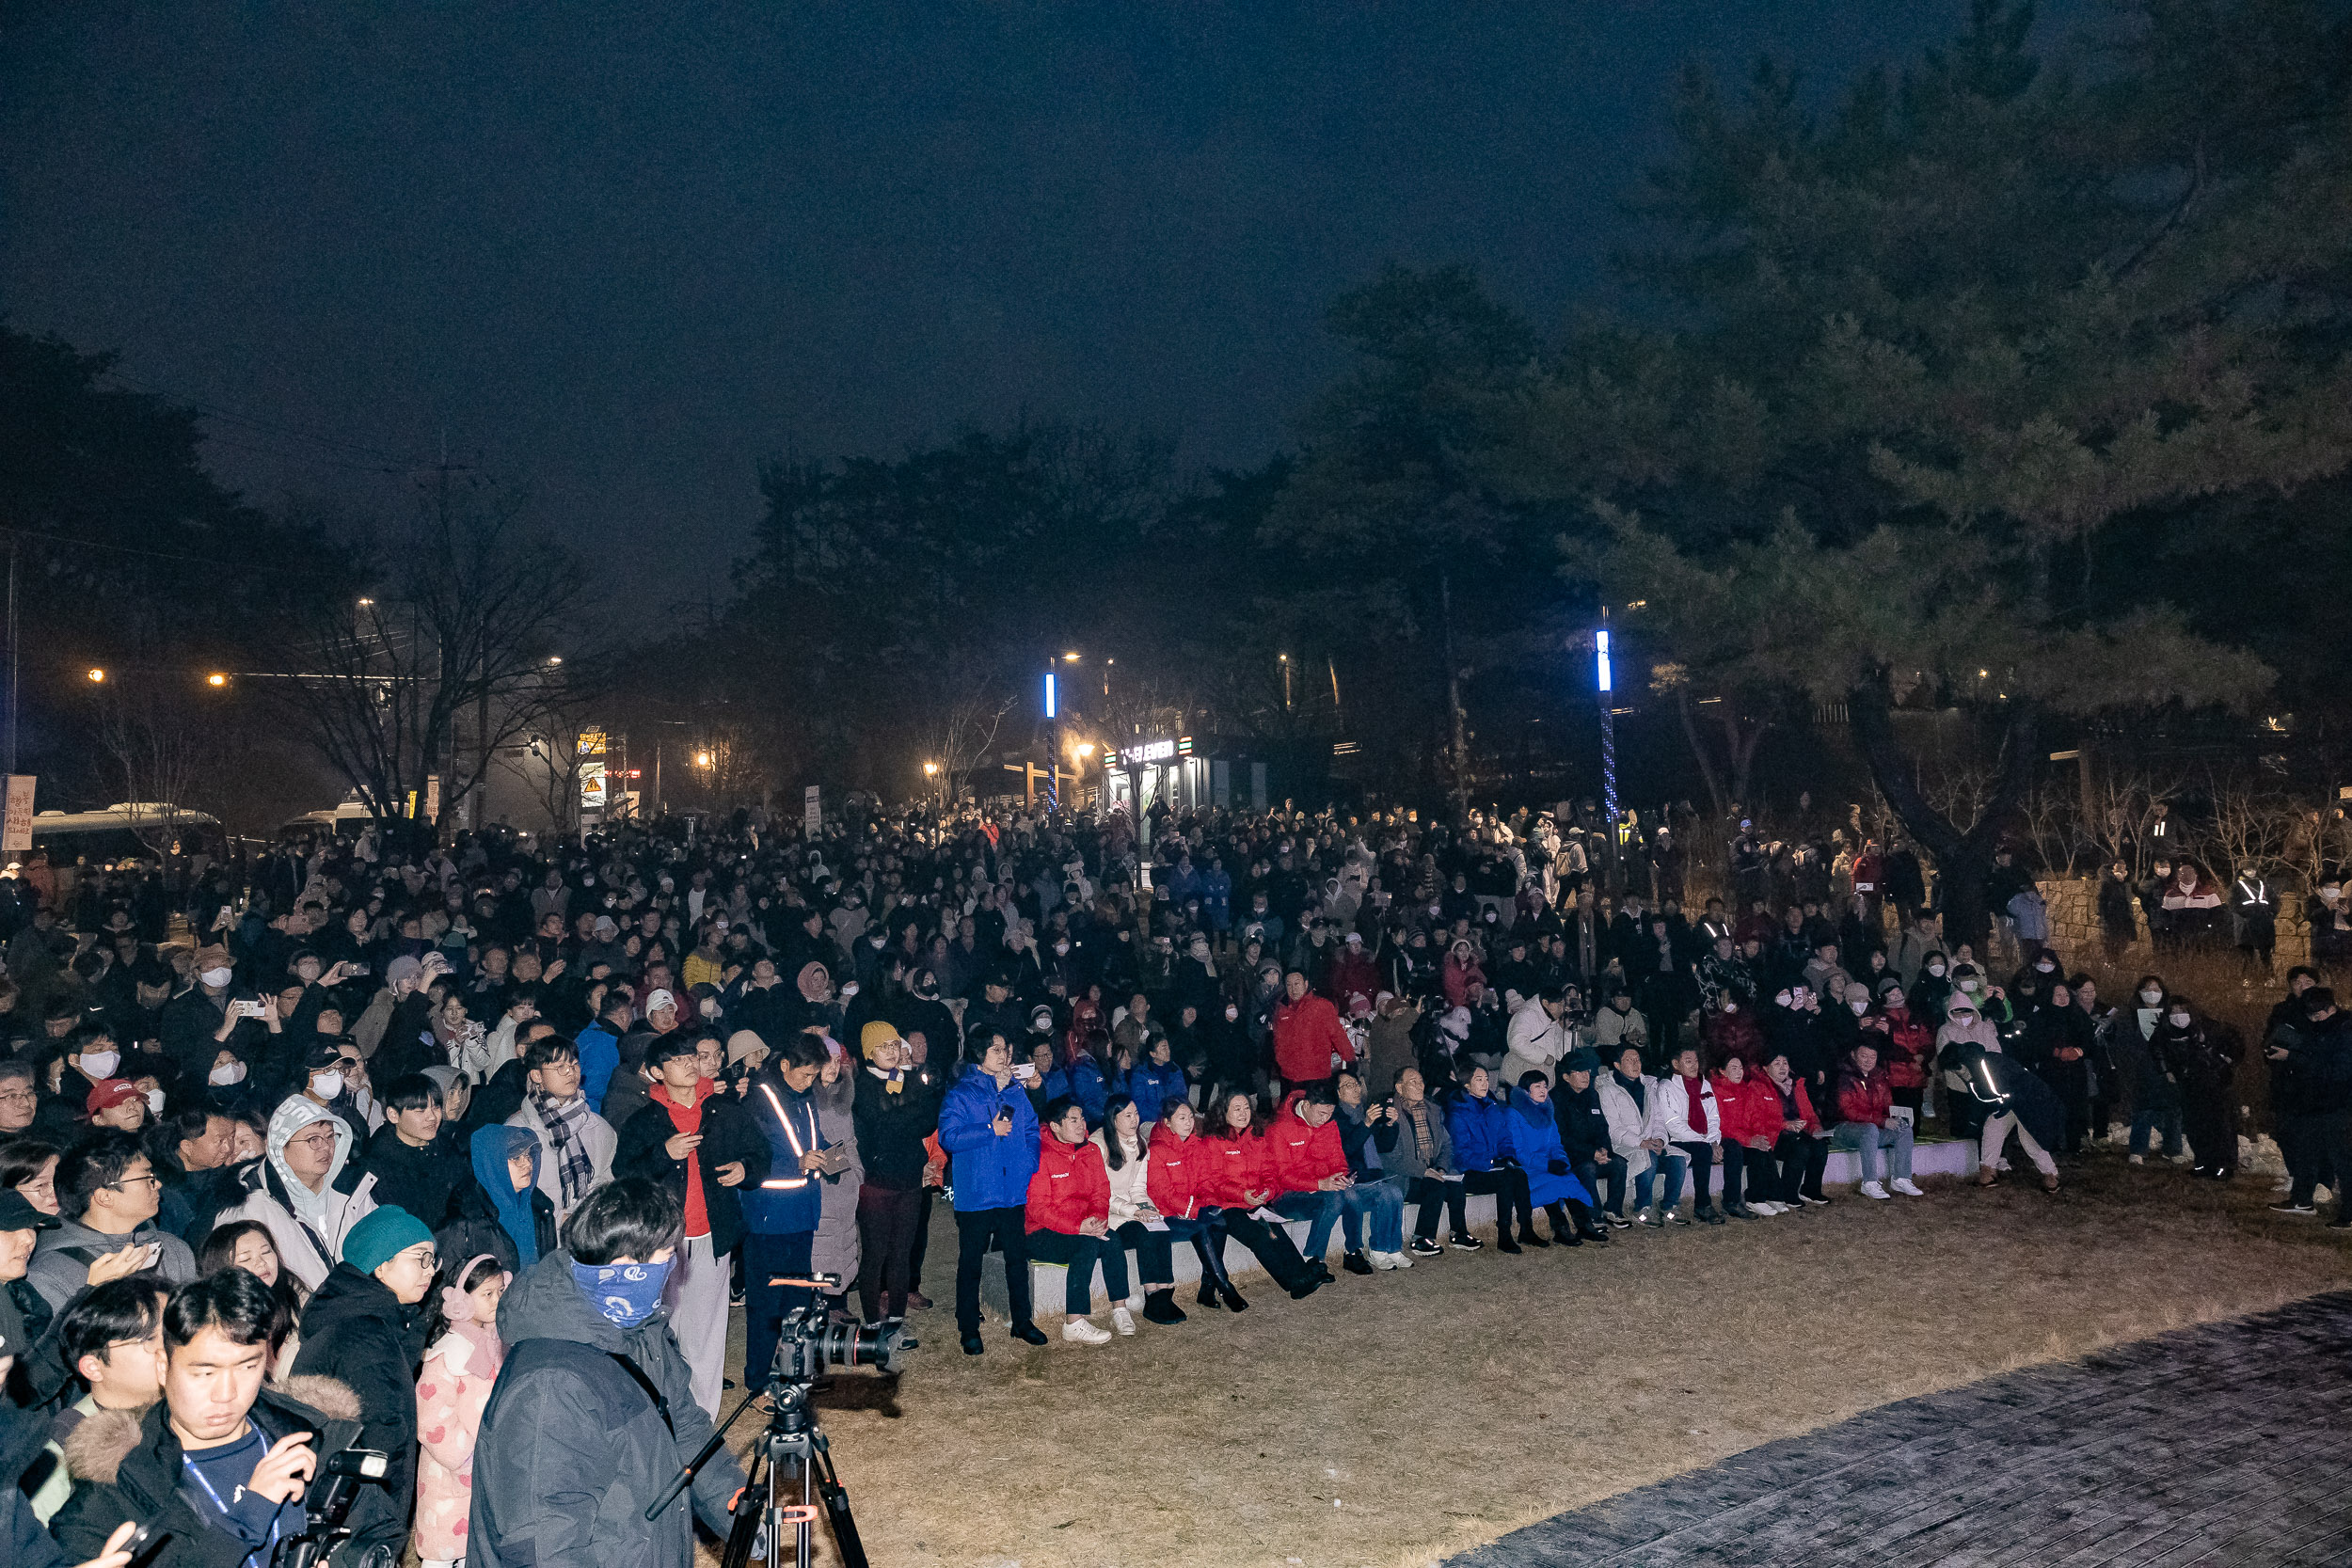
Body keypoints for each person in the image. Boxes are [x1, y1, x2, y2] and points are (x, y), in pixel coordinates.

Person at [468, 1179, 748, 1568]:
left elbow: (682, 1426)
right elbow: (544, 1545)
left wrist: (741, 1513)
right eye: (665, 1256)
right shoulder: (550, 1384)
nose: (670, 1269)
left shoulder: (638, 1326)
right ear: (625, 1266)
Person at [49, 1268, 404, 1568]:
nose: (226, 1393)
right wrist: (250, 1513)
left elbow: (379, 1531)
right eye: (204, 1373)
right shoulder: (118, 1483)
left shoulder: (312, 1433)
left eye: (247, 1366)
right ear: (163, 1366)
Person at [612, 1032, 770, 1417]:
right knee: (660, 1331)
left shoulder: (723, 1110)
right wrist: (663, 1154)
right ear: (655, 1071)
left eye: (691, 1057)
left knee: (707, 1335)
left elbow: (760, 1152)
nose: (689, 1064)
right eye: (678, 1059)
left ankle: (702, 1419)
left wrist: (745, 1169)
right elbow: (624, 1174)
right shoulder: (644, 1120)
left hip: (712, 1236)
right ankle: (661, 1415)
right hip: (660, 1243)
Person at [286, 1205, 437, 1532]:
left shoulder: (363, 1319)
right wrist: (385, 1527)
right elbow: (383, 1435)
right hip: (358, 1512)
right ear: (381, 1266)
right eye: (419, 1258)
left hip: (338, 1503)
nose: (430, 1270)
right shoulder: (365, 1336)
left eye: (432, 1259)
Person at [937, 1033, 1049, 1356]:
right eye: (996, 1049)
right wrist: (989, 1130)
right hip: (977, 1193)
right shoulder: (962, 1093)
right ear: (979, 1054)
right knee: (971, 1261)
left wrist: (1028, 1163)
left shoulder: (1015, 1091)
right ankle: (969, 1326)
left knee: (1017, 1258)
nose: (1003, 1055)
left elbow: (1030, 1129)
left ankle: (1022, 1321)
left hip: (1011, 1192)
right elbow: (949, 1136)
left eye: (1005, 1050)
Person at [26, 1274, 168, 1528]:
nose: (169, 1348)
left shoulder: (194, 1409)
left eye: (172, 1333)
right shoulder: (60, 1455)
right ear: (93, 1367)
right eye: (148, 1339)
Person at [739, 1033, 834, 1386]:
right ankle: (758, 1378)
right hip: (768, 1216)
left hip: (802, 1212)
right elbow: (751, 1157)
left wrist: (827, 1154)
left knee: (799, 1296)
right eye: (804, 1074)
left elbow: (812, 1139)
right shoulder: (757, 1100)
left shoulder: (805, 1098)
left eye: (813, 1075)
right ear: (784, 1065)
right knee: (767, 1303)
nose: (809, 1082)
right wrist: (798, 1162)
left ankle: (796, 1369)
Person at [210, 1099, 378, 1291]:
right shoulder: (248, 1207)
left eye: (330, 1136)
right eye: (312, 1139)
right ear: (280, 1147)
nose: (325, 1147)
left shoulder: (352, 1190)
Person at [27, 1132, 198, 1313]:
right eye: (147, 1178)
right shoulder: (51, 1274)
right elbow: (58, 1340)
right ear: (105, 1197)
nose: (158, 1184)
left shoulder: (173, 1250)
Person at [412, 1254, 508, 1568]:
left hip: (484, 1471)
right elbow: (431, 1422)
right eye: (487, 1294)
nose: (496, 1301)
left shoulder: (495, 1343)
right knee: (443, 1556)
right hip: (451, 1474)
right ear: (463, 1299)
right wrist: (467, 1463)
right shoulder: (447, 1351)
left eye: (499, 1292)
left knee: (475, 1551)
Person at [849, 1023, 940, 1335]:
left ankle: (896, 1322)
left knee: (902, 1254)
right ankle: (874, 1322)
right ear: (869, 1052)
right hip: (877, 1183)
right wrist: (910, 1111)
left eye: (894, 1045)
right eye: (882, 1046)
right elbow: (881, 1124)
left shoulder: (909, 1080)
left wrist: (907, 1112)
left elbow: (928, 1122)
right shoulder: (861, 1085)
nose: (890, 1051)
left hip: (910, 1179)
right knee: (876, 1254)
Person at [1195, 1092, 1321, 1299]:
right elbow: (1214, 1181)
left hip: (1253, 1200)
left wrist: (1267, 1191)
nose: (1243, 1113)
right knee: (1259, 1236)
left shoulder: (1256, 1137)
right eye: (1236, 1108)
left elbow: (1269, 1171)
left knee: (1274, 1229)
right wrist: (1242, 1194)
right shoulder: (1213, 1142)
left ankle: (1304, 1275)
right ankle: (1292, 1283)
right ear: (1223, 1112)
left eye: (1246, 1107)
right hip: (1227, 1205)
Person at [1025, 1096, 1130, 1343]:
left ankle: (1120, 1308)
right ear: (1055, 1126)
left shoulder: (1090, 1150)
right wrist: (1077, 1228)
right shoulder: (1041, 1154)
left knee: (1112, 1239)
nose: (1082, 1124)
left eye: (1082, 1118)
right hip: (1042, 1231)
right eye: (1073, 1120)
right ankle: (1074, 1322)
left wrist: (1096, 1219)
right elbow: (1038, 1209)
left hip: (1084, 1226)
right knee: (1086, 1245)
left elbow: (1101, 1191)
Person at [1090, 1093, 1188, 1325]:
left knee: (1160, 1228)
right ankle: (1152, 1294)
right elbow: (1102, 1194)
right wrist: (1134, 1212)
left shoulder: (1140, 1142)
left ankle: (1165, 1291)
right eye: (1127, 1115)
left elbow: (1138, 1187)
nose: (1134, 1120)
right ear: (1113, 1119)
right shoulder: (1098, 1145)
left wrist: (1148, 1209)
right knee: (1144, 1232)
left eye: (1136, 1114)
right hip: (1109, 1214)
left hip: (1131, 1209)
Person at [1141, 1100, 1248, 1309]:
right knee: (1203, 1226)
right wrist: (1195, 1210)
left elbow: (1205, 1183)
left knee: (1219, 1221)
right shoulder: (1157, 1150)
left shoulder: (1196, 1145)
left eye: (1190, 1117)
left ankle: (1207, 1289)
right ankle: (1225, 1285)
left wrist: (1207, 1204)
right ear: (1167, 1123)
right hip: (1167, 1216)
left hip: (1190, 1210)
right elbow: (1163, 1195)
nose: (1189, 1122)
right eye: (1182, 1118)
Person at [505, 1035, 614, 1227]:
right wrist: (557, 1219)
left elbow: (605, 1186)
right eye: (559, 1067)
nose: (570, 1073)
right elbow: (511, 1196)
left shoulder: (599, 1127)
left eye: (574, 1065)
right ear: (537, 1075)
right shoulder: (517, 1131)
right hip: (540, 1236)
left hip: (586, 1236)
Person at [356, 1072, 469, 1227]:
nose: (432, 1117)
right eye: (420, 1111)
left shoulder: (448, 1147)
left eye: (435, 1107)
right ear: (393, 1115)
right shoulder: (376, 1166)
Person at [1502, 1071, 1603, 1243]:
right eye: (1537, 1086)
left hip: (1548, 1164)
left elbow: (1556, 1144)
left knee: (1568, 1178)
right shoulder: (1513, 1114)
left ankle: (1584, 1225)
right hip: (1527, 1167)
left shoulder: (1548, 1111)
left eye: (1545, 1086)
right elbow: (1519, 1152)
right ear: (1526, 1091)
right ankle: (1561, 1229)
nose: (1543, 1090)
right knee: (1553, 1182)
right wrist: (1547, 1165)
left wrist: (1561, 1161)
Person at [1381, 1066, 1472, 1254]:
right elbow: (1389, 1159)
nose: (1420, 1085)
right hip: (1404, 1176)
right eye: (1413, 1082)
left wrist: (1440, 1168)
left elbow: (1446, 1144)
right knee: (1435, 1186)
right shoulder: (1389, 1113)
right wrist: (1424, 1171)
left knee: (1455, 1186)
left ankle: (1459, 1234)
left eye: (1421, 1081)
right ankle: (1421, 1238)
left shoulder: (1432, 1110)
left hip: (1431, 1171)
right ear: (1399, 1088)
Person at [1447, 1065, 1535, 1250]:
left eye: (1486, 1079)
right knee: (1506, 1178)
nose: (1485, 1083)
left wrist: (1508, 1156)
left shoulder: (1492, 1107)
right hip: (1471, 1172)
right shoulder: (1458, 1114)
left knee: (1519, 1174)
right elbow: (1460, 1154)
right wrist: (1490, 1162)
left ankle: (1526, 1228)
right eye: (1479, 1079)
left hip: (1494, 1167)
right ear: (1466, 1085)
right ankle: (1504, 1234)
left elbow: (1505, 1137)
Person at [1833, 1043, 1924, 1200]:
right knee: (1870, 1129)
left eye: (1873, 1057)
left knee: (1904, 1129)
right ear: (1853, 1055)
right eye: (1864, 1056)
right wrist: (1881, 1121)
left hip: (1872, 1130)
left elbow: (1888, 1104)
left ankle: (1901, 1178)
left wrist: (1896, 1117)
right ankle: (1869, 1182)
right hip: (1844, 1130)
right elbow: (1847, 1111)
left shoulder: (1879, 1077)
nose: (1868, 1061)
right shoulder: (1844, 1078)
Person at [1598, 1044, 1671, 1225]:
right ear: (1617, 1065)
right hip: (1623, 1145)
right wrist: (1642, 1143)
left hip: (1649, 1142)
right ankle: (1642, 1208)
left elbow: (1658, 1120)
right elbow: (1613, 1129)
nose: (1635, 1063)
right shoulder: (1607, 1090)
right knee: (1649, 1157)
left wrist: (1660, 1139)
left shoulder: (1648, 1086)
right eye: (1629, 1060)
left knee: (1677, 1159)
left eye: (1637, 1059)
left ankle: (1671, 1207)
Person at [1659, 1045, 1726, 1225]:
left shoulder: (1704, 1084)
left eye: (1696, 1061)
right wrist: (1705, 1142)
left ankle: (1734, 1200)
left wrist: (1713, 1142)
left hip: (1704, 1140)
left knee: (1733, 1148)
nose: (1694, 1065)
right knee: (1703, 1151)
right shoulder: (1667, 1086)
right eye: (1688, 1061)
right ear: (1675, 1064)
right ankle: (1702, 1205)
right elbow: (1672, 1124)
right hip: (1678, 1140)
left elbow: (1713, 1116)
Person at [1708, 1053, 1784, 1216]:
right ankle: (1732, 1201)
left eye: (1741, 1068)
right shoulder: (1717, 1091)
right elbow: (1724, 1126)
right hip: (1724, 1139)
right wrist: (1749, 1140)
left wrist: (1758, 1137)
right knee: (1735, 1149)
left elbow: (1755, 1117)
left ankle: (1769, 1196)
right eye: (1733, 1068)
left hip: (1744, 1138)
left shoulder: (1746, 1089)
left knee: (1763, 1148)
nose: (1739, 1072)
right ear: (1722, 1071)